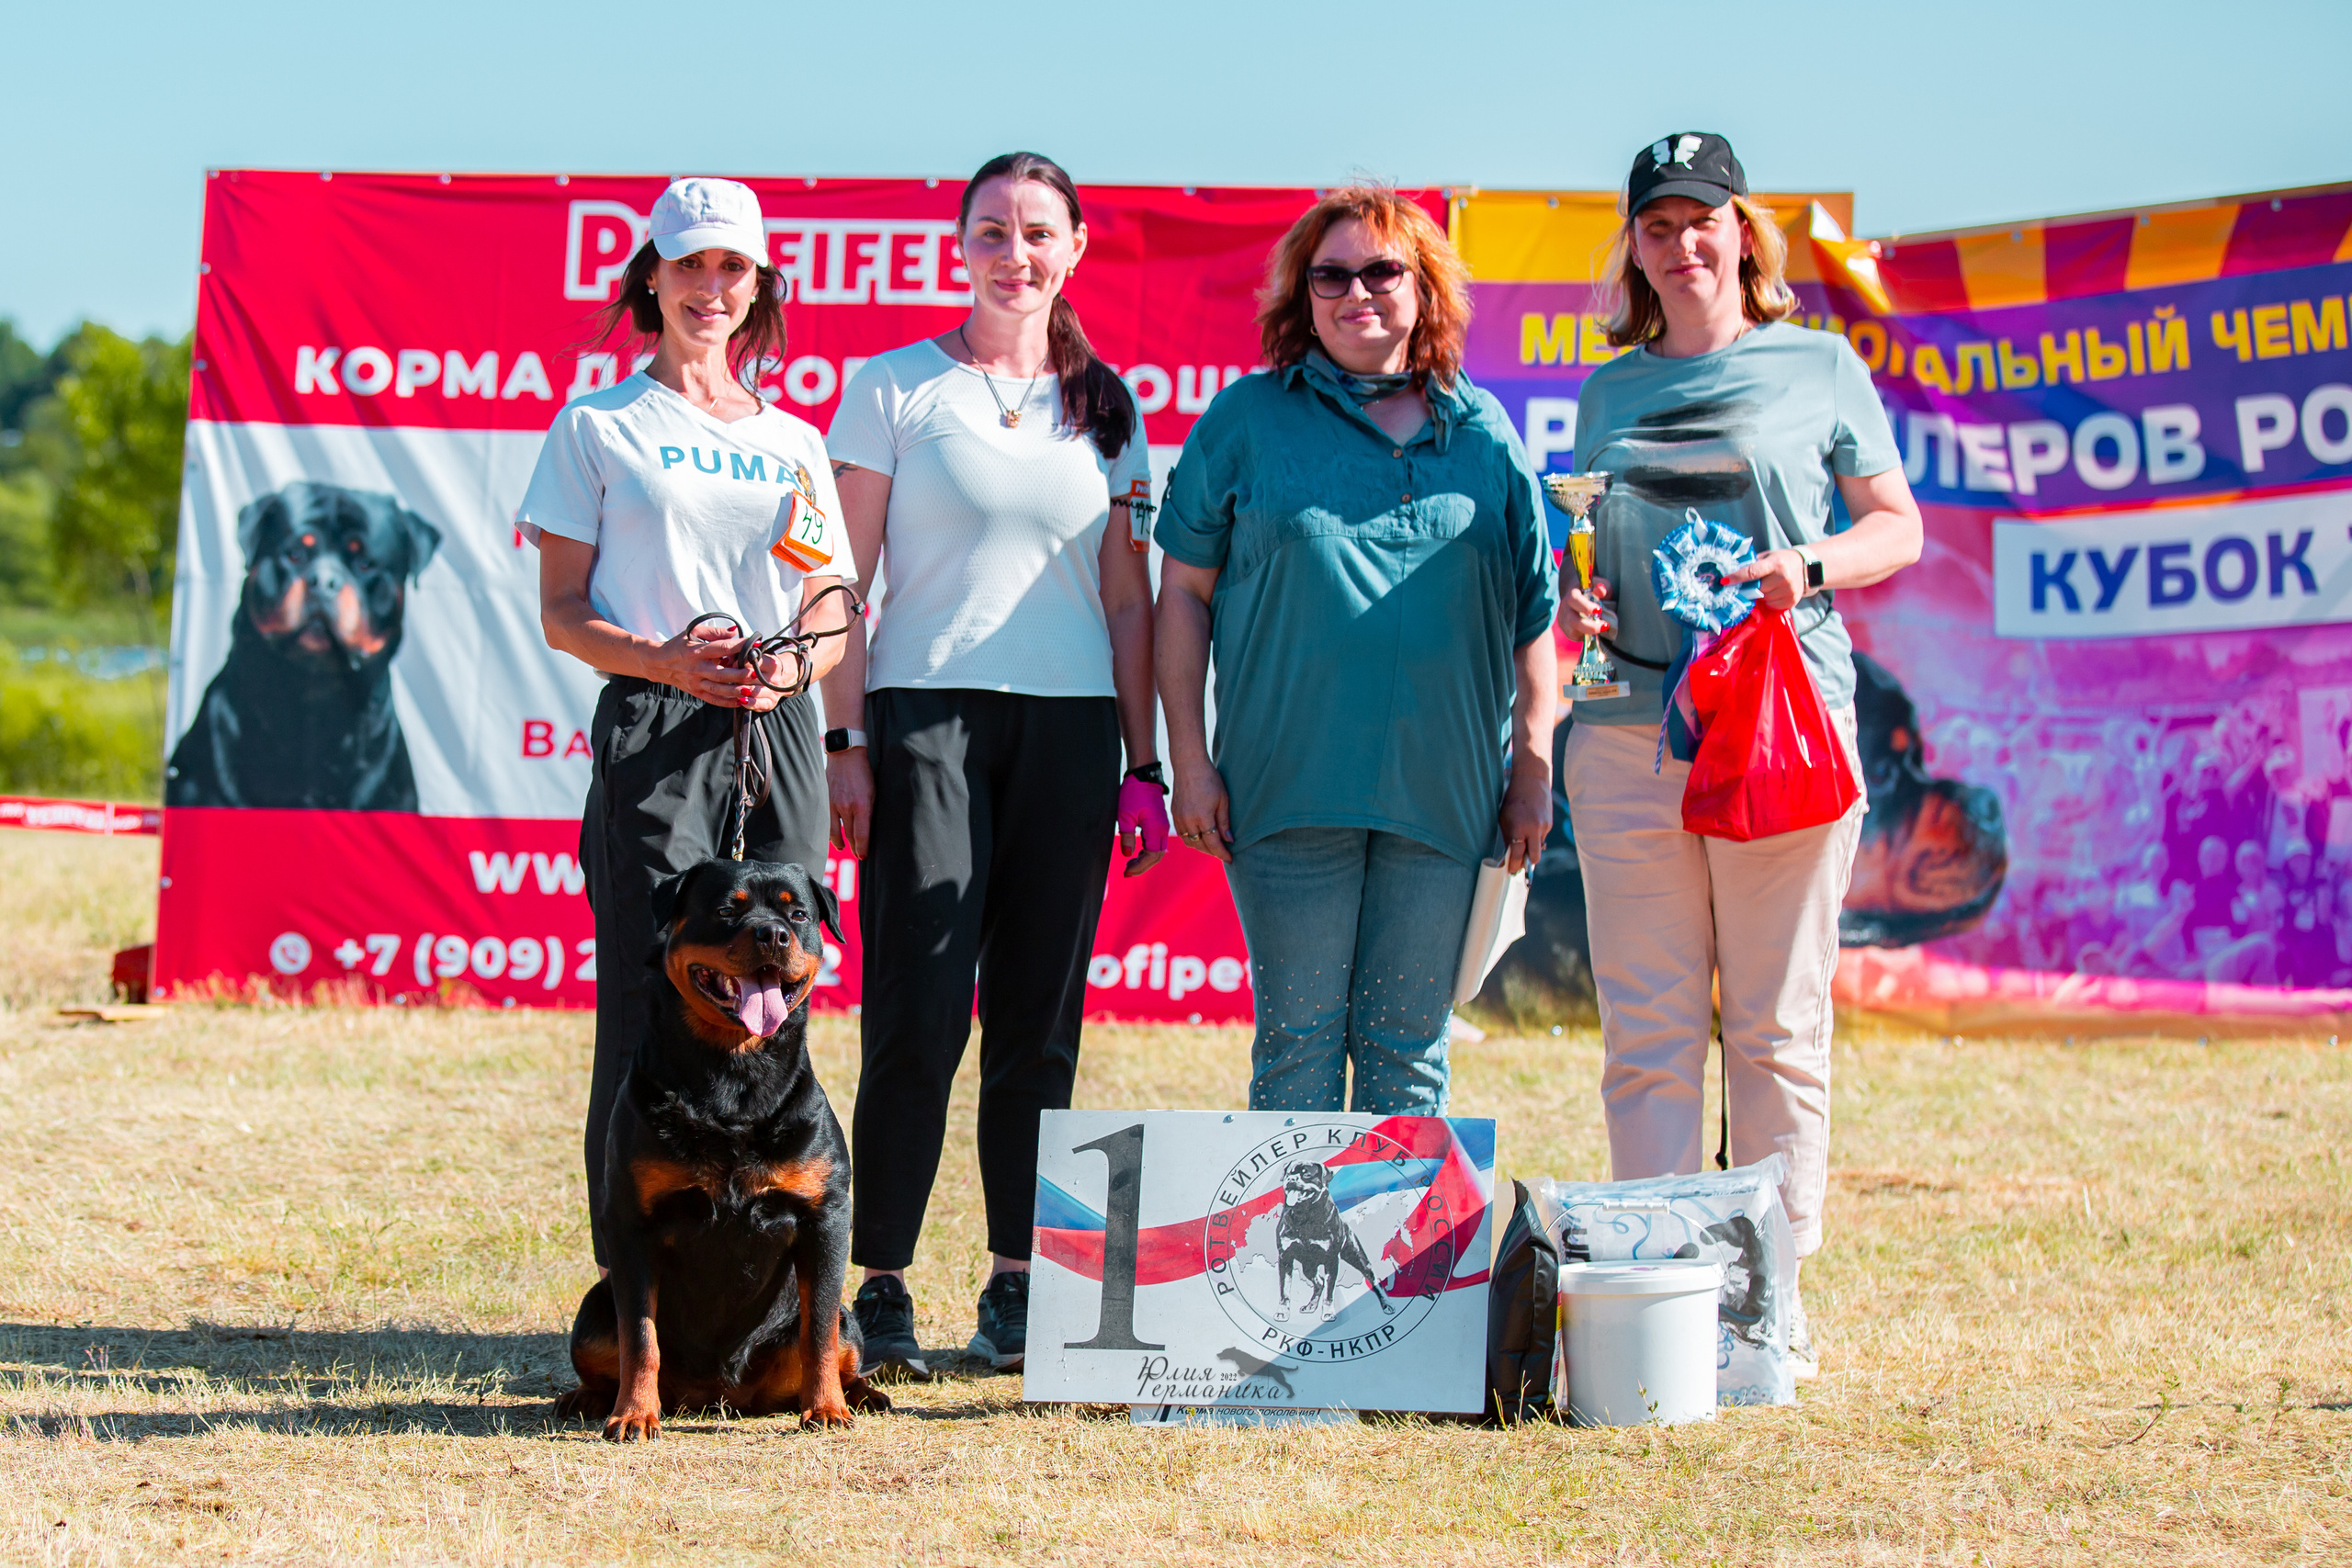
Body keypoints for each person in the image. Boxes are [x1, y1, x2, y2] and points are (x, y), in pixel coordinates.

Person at [1561, 133, 1923, 1377]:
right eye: (1656, 226)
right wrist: (1585, 605)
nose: (1681, 243)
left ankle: (1771, 1300)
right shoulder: (1606, 391)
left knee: (1774, 1026)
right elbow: (1594, 550)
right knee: (1649, 1027)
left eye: (1701, 219)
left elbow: (1896, 528)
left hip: (1781, 723)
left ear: (1743, 234)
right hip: (1626, 733)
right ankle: (1665, 1300)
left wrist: (1804, 566)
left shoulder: (1821, 365)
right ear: (1634, 249)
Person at [820, 152, 1168, 1381]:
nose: (1013, 254)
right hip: (926, 722)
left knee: (1038, 1020)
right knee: (916, 1007)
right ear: (956, 246)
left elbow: (1130, 604)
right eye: (990, 232)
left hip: (1071, 731)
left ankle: (1019, 1285)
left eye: (1036, 233)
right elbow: (840, 585)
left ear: (1076, 247)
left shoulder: (1112, 408)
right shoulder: (893, 390)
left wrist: (1145, 761)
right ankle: (878, 1283)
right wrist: (847, 737)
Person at [1156, 185, 1560, 1115]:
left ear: (1425, 288)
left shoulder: (1485, 434)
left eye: (1382, 271)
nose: (1355, 293)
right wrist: (1190, 758)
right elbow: (1181, 592)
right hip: (1287, 790)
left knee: (1407, 1051)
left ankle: (1401, 1268)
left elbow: (1534, 618)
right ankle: (1282, 1265)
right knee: (1295, 1049)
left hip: (1445, 799)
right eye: (1329, 276)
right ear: (1302, 296)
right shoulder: (1246, 419)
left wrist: (1532, 769)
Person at [516, 177, 853, 1270]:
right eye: (691, 265)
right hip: (657, 722)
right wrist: (659, 660)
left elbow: (832, 610)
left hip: (781, 726)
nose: (712, 288)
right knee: (647, 999)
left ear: (759, 288)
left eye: (733, 269)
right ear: (650, 277)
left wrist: (795, 666)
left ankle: (759, 1281)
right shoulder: (599, 424)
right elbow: (563, 614)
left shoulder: (794, 439)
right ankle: (637, 1295)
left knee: (783, 990)